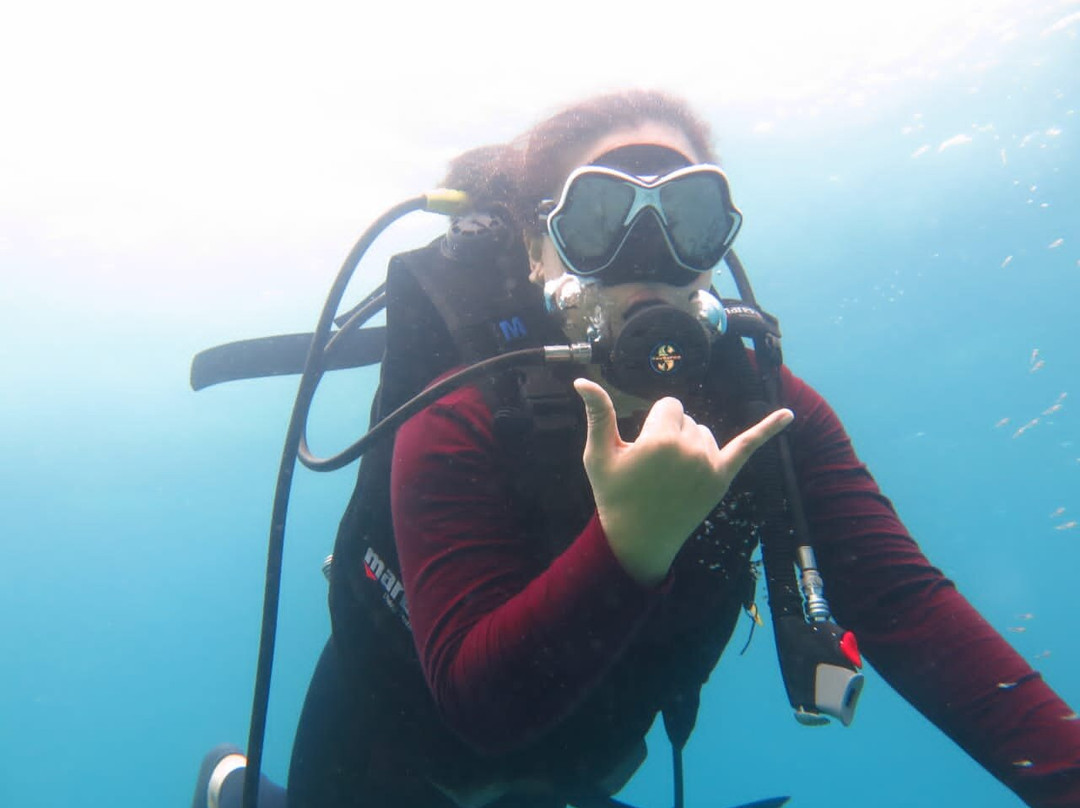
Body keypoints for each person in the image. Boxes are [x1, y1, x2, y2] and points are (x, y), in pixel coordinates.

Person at [192, 90, 1080, 808]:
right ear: (540, 249)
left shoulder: (761, 409)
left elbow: (905, 607)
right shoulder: (462, 409)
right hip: (387, 746)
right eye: (601, 216)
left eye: (689, 217)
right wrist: (634, 542)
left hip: (585, 755)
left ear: (715, 254)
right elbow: (477, 705)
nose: (646, 254)